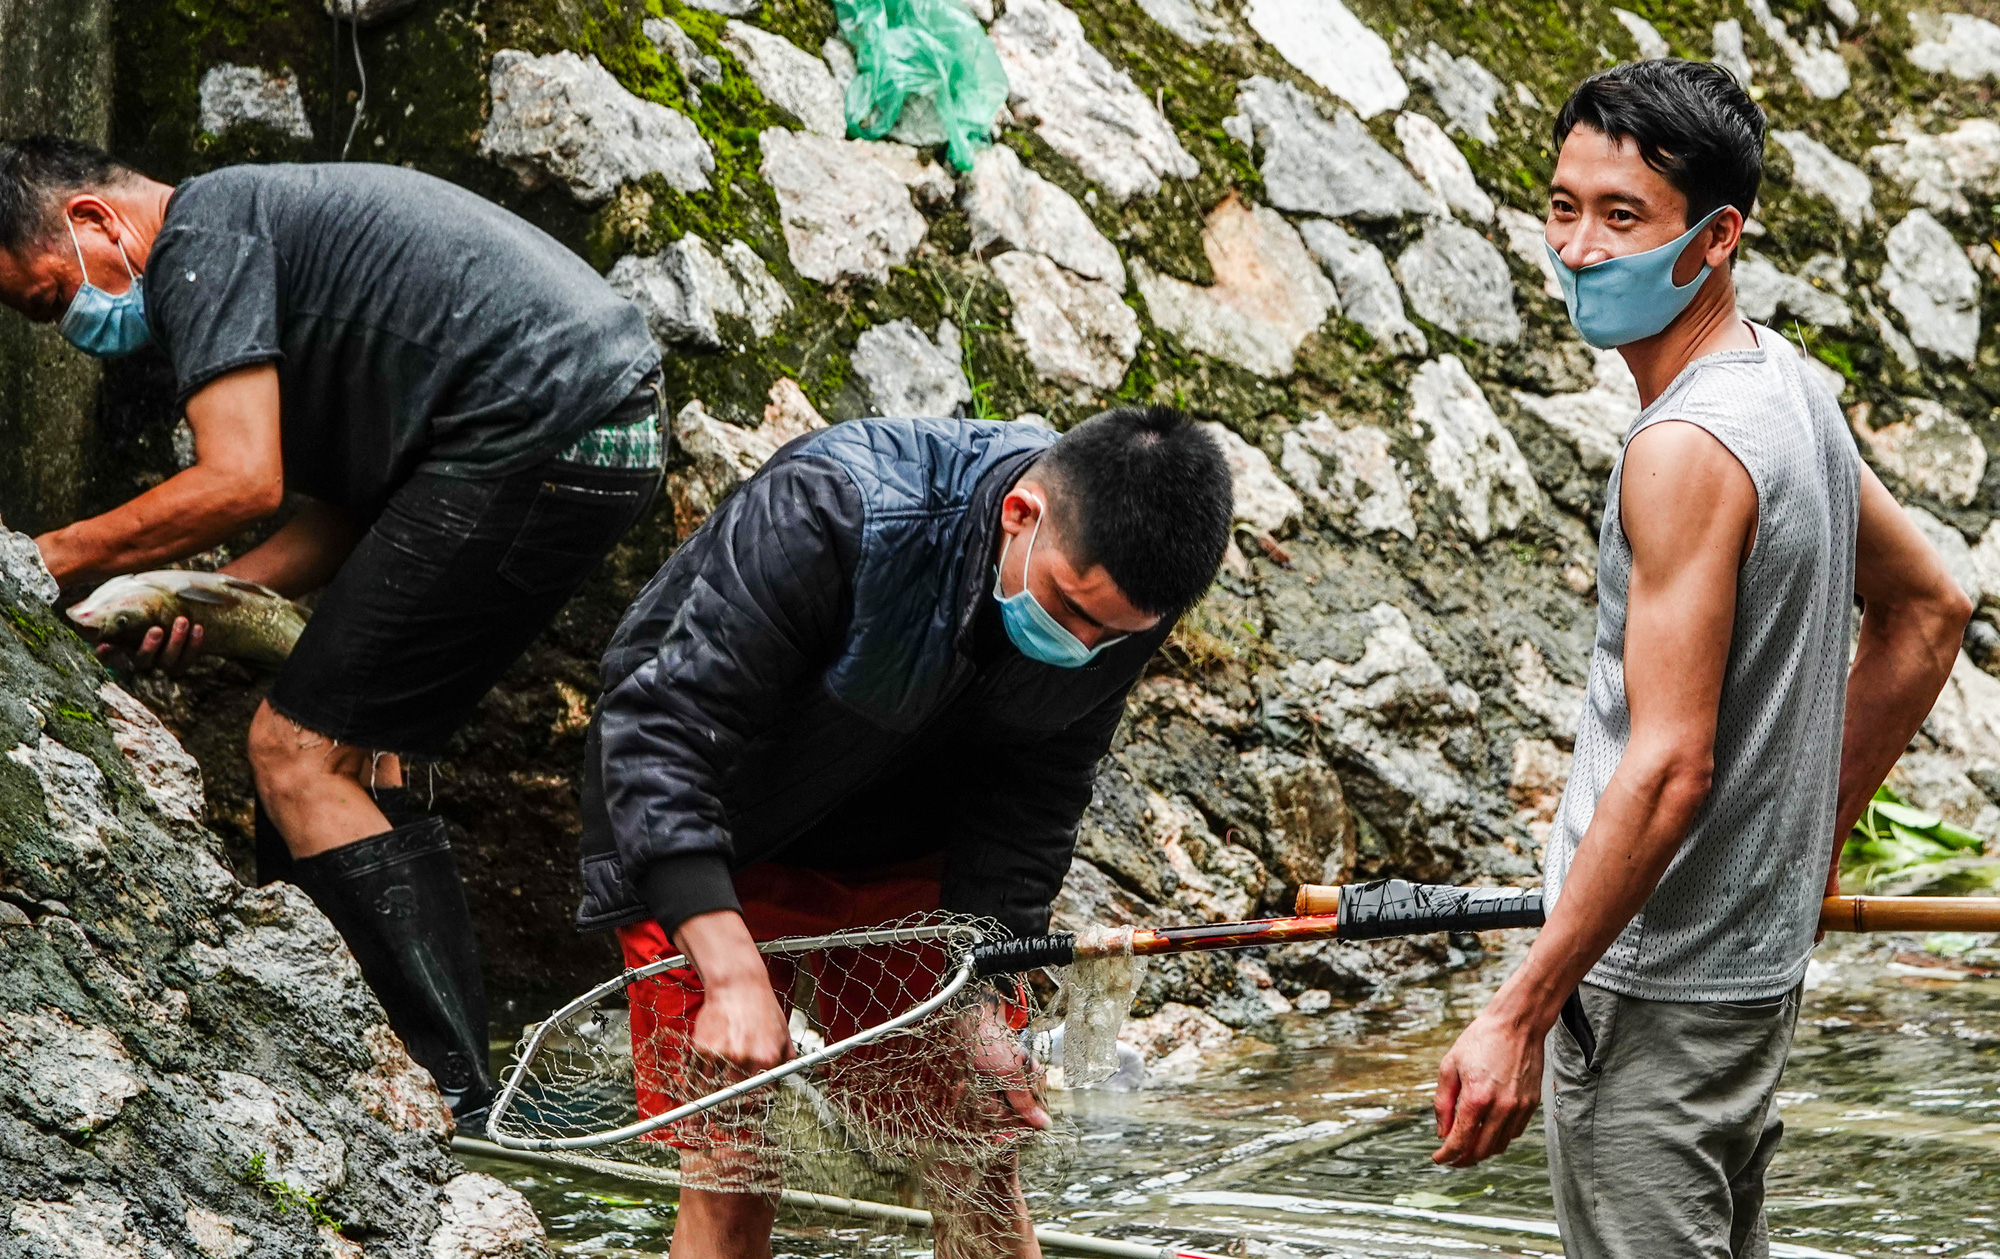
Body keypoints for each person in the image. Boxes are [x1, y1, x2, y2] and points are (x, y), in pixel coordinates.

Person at [0, 137, 669, 1125]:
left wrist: (39, 558)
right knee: (360, 751)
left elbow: (240, 481)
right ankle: (427, 1082)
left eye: (52, 298)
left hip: (544, 422)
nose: (68, 329)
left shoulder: (203, 237)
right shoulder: (258, 248)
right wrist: (199, 595)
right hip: (586, 425)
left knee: (294, 752)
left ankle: (449, 1105)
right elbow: (349, 515)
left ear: (95, 221)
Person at [1425, 60, 1972, 1257]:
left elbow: (1669, 764)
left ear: (1715, 236)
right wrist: (1807, 848)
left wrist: (1519, 1010)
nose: (1576, 248)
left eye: (1621, 216)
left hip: (1650, 989)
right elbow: (1928, 609)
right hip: (1744, 979)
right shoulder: (1787, 387)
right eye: (1562, 205)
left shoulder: (1681, 446)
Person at [579, 407, 1234, 1258]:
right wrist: (730, 966)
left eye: (1112, 633)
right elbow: (656, 731)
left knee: (978, 1144)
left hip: (906, 852)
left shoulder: (1126, 605)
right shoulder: (836, 510)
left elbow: (1035, 802)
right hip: (716, 833)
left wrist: (985, 997)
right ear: (1021, 514)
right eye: (1070, 607)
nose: (1083, 644)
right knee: (733, 1167)